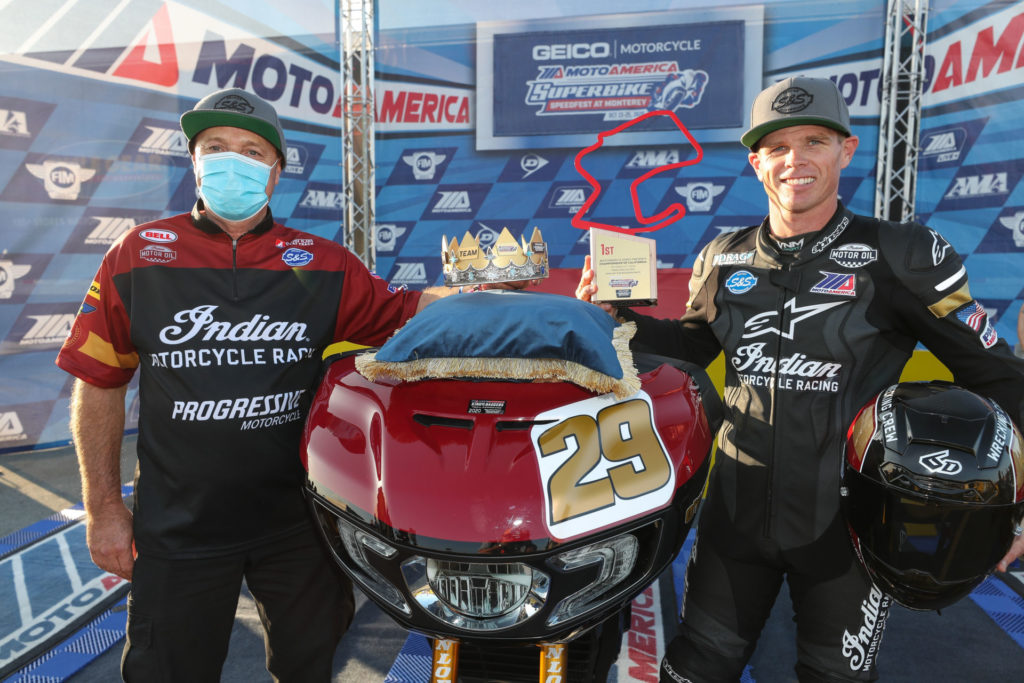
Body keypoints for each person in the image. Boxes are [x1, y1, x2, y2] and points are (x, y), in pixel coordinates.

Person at [577, 76, 1024, 682]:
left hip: (849, 531)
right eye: (778, 146)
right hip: (734, 514)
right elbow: (689, 348)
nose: (796, 160)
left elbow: (1000, 376)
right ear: (756, 161)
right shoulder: (723, 256)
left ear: (845, 150)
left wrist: (1015, 511)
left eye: (814, 140)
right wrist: (617, 321)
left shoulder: (902, 253)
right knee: (695, 668)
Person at [55, 88, 460, 682]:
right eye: (214, 147)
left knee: (309, 666)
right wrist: (103, 509)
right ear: (193, 161)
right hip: (179, 527)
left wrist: (493, 298)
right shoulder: (137, 255)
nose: (230, 160)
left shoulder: (324, 263)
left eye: (250, 151)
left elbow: (410, 311)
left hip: (299, 525)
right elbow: (98, 381)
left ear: (275, 173)